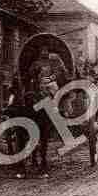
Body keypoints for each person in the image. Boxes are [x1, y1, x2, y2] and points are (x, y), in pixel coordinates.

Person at [27, 47, 68, 178]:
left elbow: (60, 71)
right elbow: (30, 73)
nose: (43, 52)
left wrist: (51, 77)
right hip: (38, 85)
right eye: (42, 50)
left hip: (51, 83)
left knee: (54, 90)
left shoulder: (54, 60)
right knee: (29, 93)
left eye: (45, 50)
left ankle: (56, 109)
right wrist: (37, 77)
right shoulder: (36, 63)